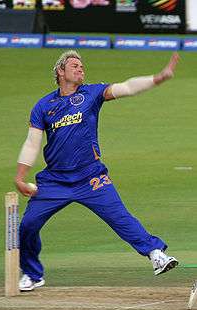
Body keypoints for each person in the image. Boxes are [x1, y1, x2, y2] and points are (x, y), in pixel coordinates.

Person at [15, 50, 179, 291]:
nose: (81, 69)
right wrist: (20, 177)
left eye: (82, 66)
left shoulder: (91, 94)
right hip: (55, 181)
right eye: (74, 65)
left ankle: (155, 253)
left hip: (90, 176)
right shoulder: (43, 106)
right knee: (28, 225)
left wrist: (157, 78)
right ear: (60, 72)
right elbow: (32, 143)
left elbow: (127, 87)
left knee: (120, 217)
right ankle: (33, 274)